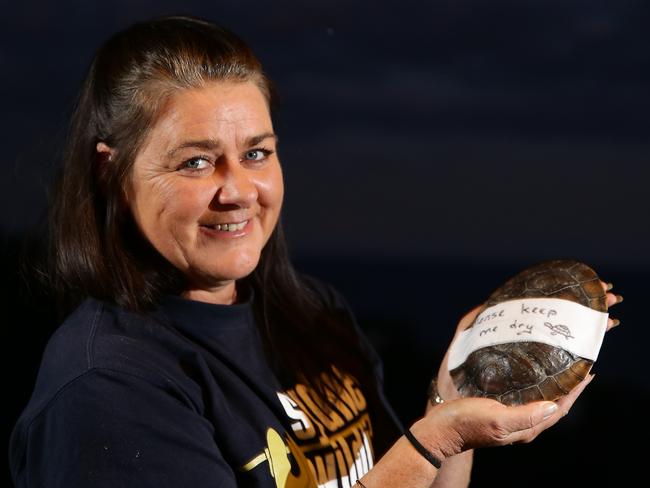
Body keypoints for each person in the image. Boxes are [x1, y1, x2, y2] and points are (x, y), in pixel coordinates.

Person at [8, 15, 621, 488]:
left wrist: (452, 402)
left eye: (256, 152)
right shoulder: (107, 391)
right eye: (195, 162)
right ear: (112, 173)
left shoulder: (314, 315)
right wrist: (433, 441)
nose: (238, 191)